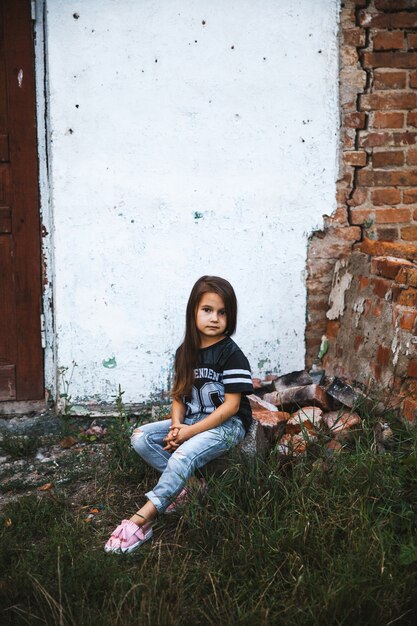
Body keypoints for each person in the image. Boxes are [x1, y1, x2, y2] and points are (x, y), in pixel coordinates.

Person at [104, 275, 253, 554]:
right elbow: (179, 397)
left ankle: (142, 519)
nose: (215, 318)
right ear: (193, 312)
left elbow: (232, 406)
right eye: (207, 310)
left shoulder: (232, 355)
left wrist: (188, 434)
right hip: (192, 421)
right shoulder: (185, 352)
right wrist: (176, 427)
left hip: (228, 425)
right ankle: (192, 489)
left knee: (183, 455)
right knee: (141, 438)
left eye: (222, 312)